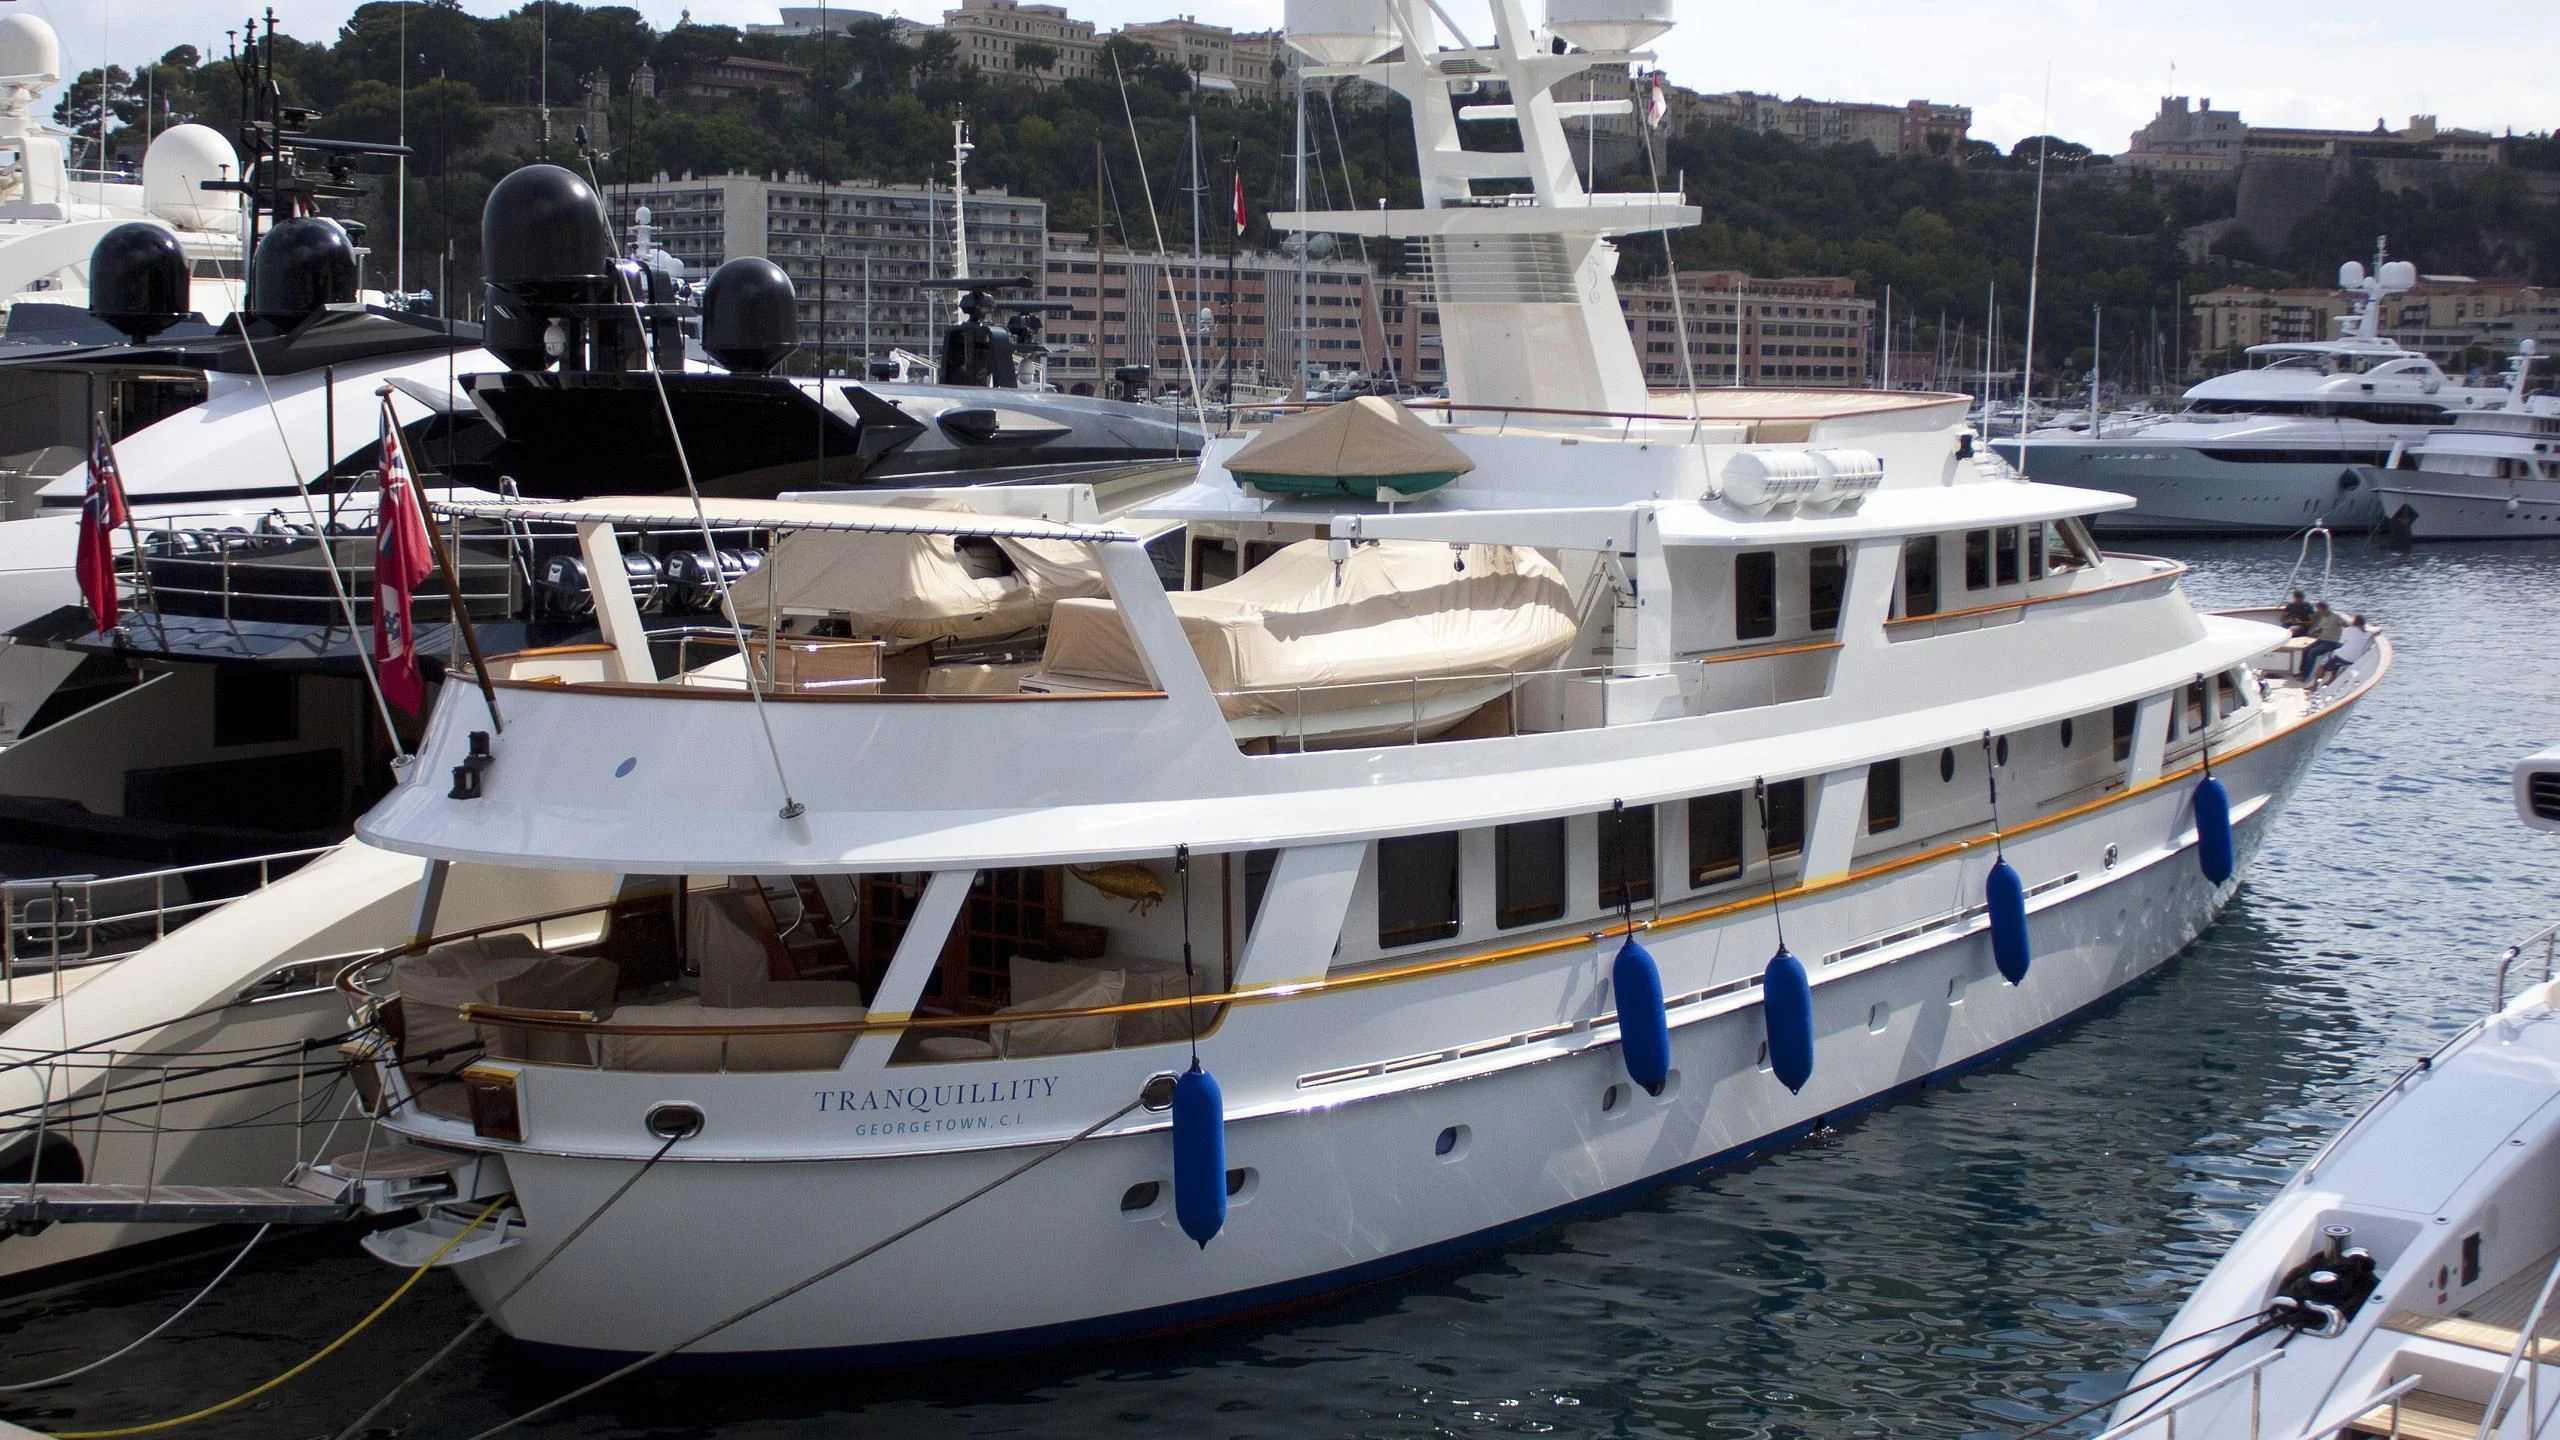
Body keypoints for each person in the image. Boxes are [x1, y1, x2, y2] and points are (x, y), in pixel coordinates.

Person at [2318, 614, 2375, 684]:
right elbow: (2378, 629)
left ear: (2353, 622)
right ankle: (2331, 679)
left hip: (2342, 656)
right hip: (2354, 660)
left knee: (2323, 663)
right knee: (2337, 659)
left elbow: (2340, 644)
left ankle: (2314, 684)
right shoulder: (2367, 633)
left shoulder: (2347, 630)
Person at [2298, 602, 2344, 678]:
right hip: (2322, 640)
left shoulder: (2335, 617)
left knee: (2312, 653)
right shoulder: (2323, 618)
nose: (2318, 612)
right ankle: (2301, 671)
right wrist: (2313, 632)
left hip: (2331, 642)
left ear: (2324, 609)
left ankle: (2305, 675)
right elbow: (2319, 628)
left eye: (2319, 610)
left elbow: (2345, 625)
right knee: (2305, 650)